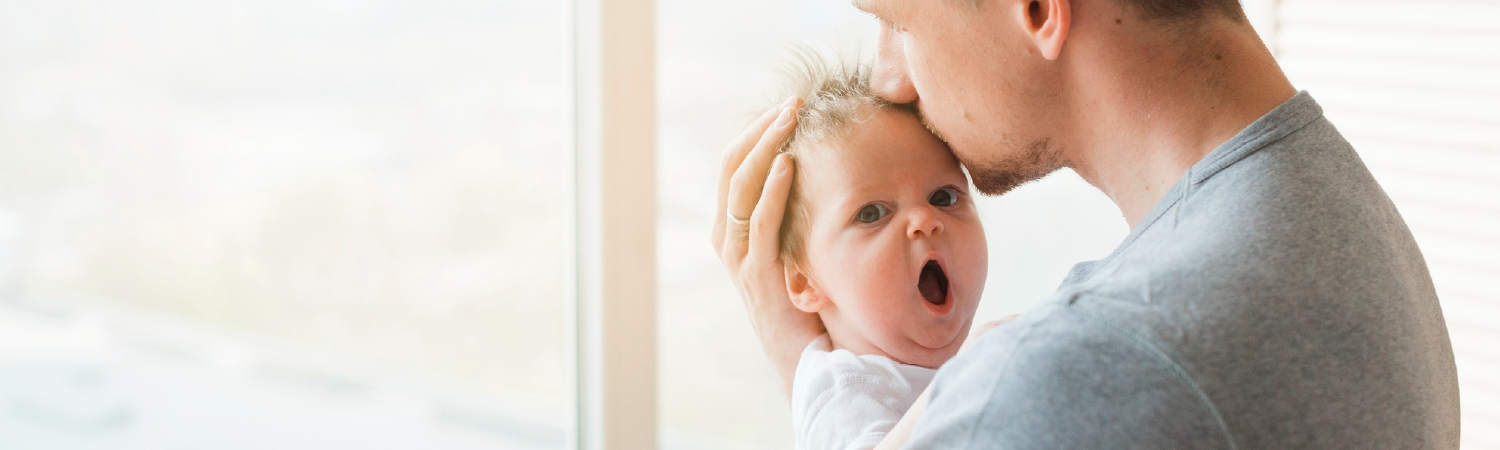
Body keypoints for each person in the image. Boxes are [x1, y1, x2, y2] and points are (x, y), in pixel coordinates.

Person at [711, 0, 1462, 448]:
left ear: (1037, 7)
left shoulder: (1071, 375)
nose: (889, 79)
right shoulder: (1329, 204)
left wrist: (800, 358)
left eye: (901, 20)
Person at [765, 53, 989, 450]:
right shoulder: (845, 390)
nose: (925, 219)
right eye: (871, 213)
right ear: (805, 281)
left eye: (944, 196)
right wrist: (971, 372)